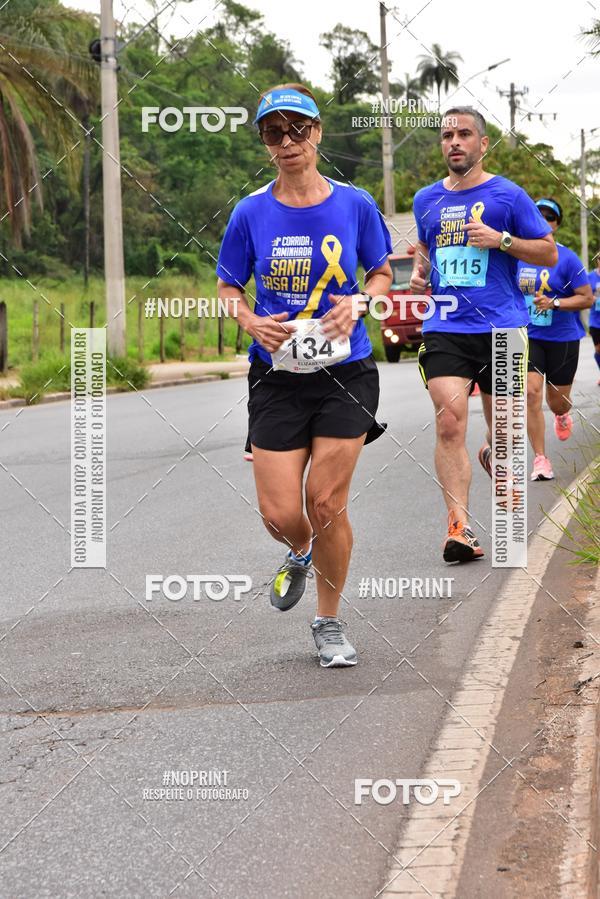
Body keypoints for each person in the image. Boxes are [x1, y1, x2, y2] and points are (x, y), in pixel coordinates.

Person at [216, 84, 392, 667]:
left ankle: (329, 621)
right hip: (276, 376)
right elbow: (226, 288)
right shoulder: (250, 212)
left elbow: (382, 273)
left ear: (317, 133)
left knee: (326, 502)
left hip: (346, 370)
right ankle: (298, 550)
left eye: (298, 129)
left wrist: (359, 306)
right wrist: (249, 321)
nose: (288, 142)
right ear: (265, 143)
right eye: (274, 133)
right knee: (282, 513)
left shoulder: (355, 203)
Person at [410, 107, 558, 563]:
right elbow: (427, 251)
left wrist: (503, 241)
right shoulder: (425, 199)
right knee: (450, 419)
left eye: (464, 134)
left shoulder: (508, 195)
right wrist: (420, 273)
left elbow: (549, 253)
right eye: (447, 134)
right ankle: (459, 528)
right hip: (445, 326)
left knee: (507, 430)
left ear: (483, 143)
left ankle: (506, 501)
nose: (454, 141)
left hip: (504, 326)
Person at [517, 199, 593, 480]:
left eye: (550, 217)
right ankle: (540, 459)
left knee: (557, 401)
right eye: (538, 215)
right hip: (528, 335)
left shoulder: (568, 258)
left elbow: (587, 297)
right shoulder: (515, 256)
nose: (543, 220)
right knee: (530, 393)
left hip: (562, 337)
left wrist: (556, 304)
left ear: (556, 225)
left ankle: (562, 414)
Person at [588, 255, 600, 385]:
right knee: (598, 349)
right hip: (596, 320)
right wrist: (592, 299)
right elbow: (584, 294)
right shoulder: (590, 277)